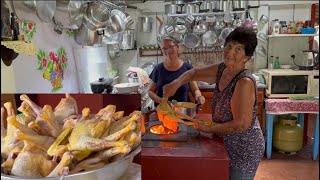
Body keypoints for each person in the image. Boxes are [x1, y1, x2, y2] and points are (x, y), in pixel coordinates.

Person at [163, 27, 265, 180]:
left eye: (238, 49)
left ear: (247, 57)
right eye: (229, 46)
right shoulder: (221, 69)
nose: (230, 52)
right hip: (224, 142)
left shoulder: (244, 82)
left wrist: (208, 128)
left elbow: (240, 124)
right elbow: (194, 73)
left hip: (243, 150)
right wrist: (175, 84)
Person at [148, 35, 205, 107]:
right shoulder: (158, 69)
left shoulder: (188, 68)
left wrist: (198, 97)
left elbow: (195, 90)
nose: (167, 50)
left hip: (183, 111)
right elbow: (150, 91)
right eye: (164, 48)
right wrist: (160, 100)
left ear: (177, 47)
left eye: (170, 47)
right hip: (163, 112)